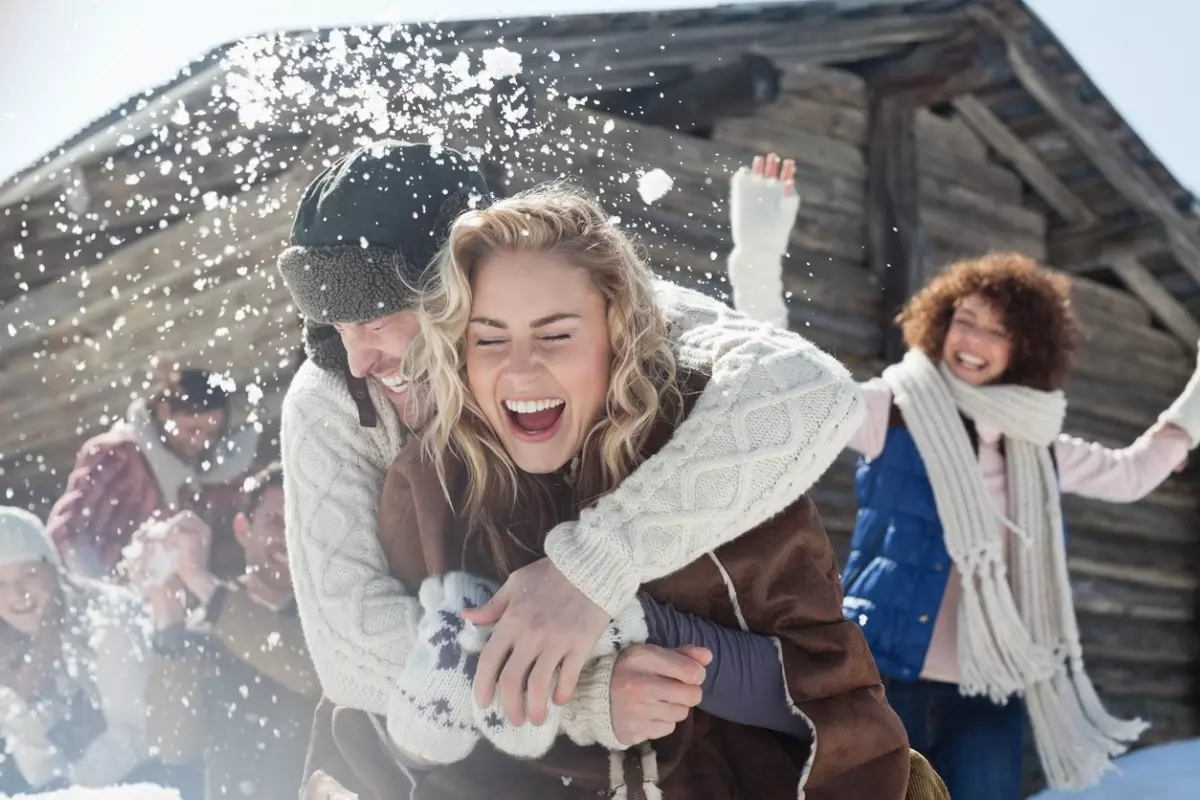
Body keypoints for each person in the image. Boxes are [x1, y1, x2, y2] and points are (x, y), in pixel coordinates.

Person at [276, 141, 865, 737]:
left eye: (376, 323)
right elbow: (349, 647)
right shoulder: (332, 400)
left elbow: (814, 394)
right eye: (335, 328)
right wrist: (572, 694)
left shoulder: (594, 311)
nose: (356, 361)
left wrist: (590, 569)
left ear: (462, 291)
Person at [361, 182, 912, 799]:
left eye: (556, 334)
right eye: (490, 338)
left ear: (616, 334)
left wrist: (632, 620)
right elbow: (399, 731)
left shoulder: (712, 452)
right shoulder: (434, 487)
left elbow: (833, 701)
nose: (520, 369)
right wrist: (589, 702)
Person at [726, 173, 1200, 797]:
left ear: (1025, 349)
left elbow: (1134, 472)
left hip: (991, 688)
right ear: (940, 322)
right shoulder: (891, 412)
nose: (972, 341)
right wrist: (758, 251)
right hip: (880, 673)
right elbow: (791, 381)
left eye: (997, 331)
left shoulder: (1038, 447)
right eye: (965, 320)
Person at [133, 463, 320, 800]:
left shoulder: (325, 618)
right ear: (242, 529)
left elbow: (307, 672)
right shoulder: (206, 626)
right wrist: (167, 619)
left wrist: (202, 583)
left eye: (301, 524)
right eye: (274, 521)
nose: (287, 536)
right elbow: (173, 745)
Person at [46, 366, 258, 578]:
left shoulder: (223, 476)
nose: (202, 442)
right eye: (192, 430)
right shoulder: (118, 456)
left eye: (212, 433)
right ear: (164, 412)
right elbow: (69, 533)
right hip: (111, 590)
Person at [0, 506, 156, 792]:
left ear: (54, 567)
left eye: (29, 574)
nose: (17, 594)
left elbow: (139, 732)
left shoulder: (109, 618)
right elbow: (28, 744)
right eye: (1, 583)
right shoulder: (11, 639)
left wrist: (68, 787)